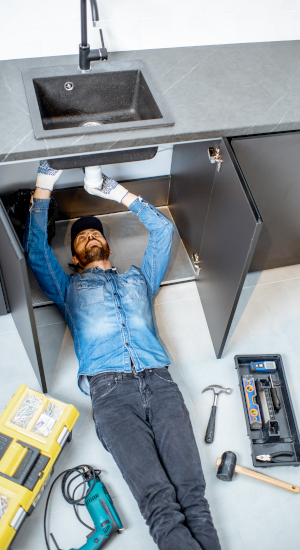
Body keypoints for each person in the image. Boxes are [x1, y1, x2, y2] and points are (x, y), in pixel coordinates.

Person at [24, 161, 221, 550]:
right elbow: (35, 250)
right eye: (81, 238)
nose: (90, 236)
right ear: (75, 257)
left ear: (108, 246)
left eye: (95, 233)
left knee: (194, 502)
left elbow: (163, 230)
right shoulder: (69, 290)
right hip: (112, 396)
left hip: (162, 384)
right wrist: (44, 184)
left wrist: (112, 190)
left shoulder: (139, 279)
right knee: (160, 505)